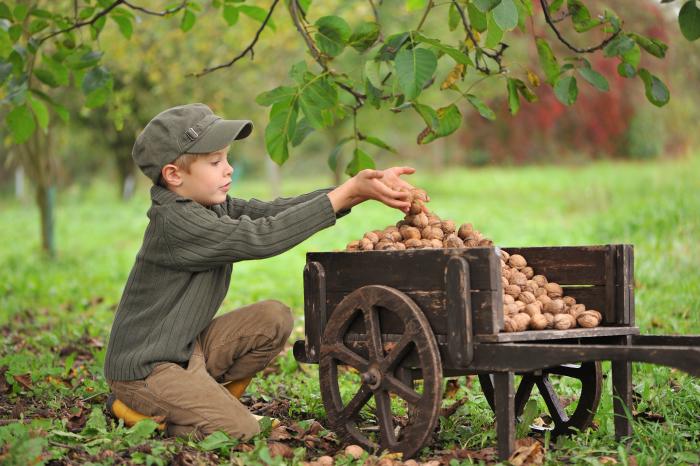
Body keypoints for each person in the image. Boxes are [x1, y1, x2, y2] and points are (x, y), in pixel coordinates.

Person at [104, 102, 422, 441]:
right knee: (241, 429)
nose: (228, 169)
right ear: (174, 175)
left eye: (226, 158)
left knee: (273, 317)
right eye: (215, 162)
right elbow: (262, 236)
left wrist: (358, 192)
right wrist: (348, 192)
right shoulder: (176, 223)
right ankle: (135, 410)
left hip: (185, 349)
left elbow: (272, 211)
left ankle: (201, 399)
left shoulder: (210, 205)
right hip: (146, 368)